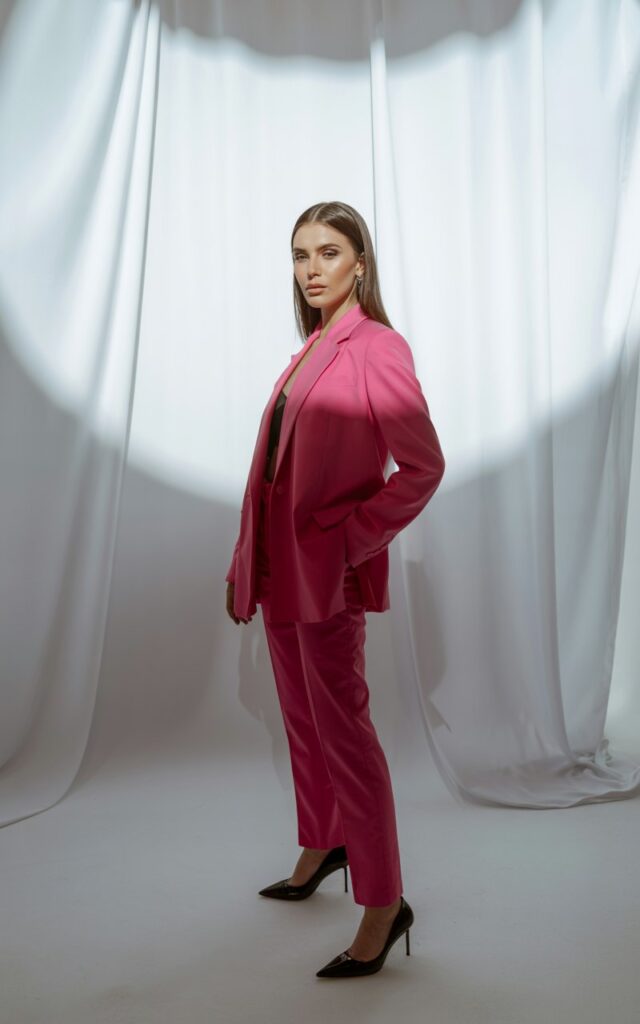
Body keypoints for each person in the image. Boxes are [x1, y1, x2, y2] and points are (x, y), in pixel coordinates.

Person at [225, 201, 445, 978]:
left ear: (361, 262)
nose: (311, 268)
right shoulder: (310, 348)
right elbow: (274, 474)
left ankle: (383, 902)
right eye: (299, 254)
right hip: (280, 570)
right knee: (302, 721)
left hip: (324, 573)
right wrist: (245, 558)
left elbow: (423, 467)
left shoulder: (376, 348)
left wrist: (349, 540)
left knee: (346, 734)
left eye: (327, 251)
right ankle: (323, 844)